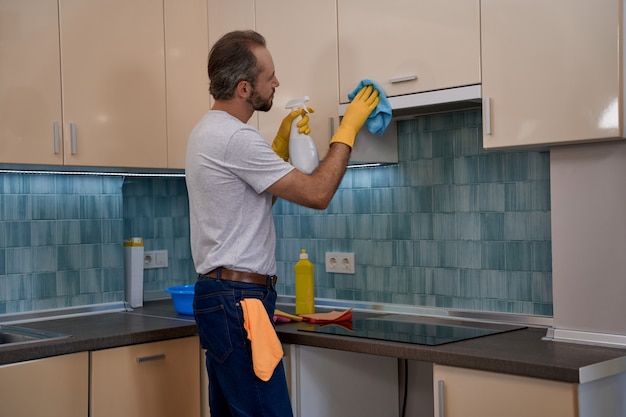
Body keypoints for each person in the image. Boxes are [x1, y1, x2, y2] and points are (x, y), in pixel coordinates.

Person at [185, 30, 379, 417]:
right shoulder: (236, 138)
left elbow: (247, 202)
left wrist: (277, 148)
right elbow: (317, 194)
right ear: (244, 88)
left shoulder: (207, 131)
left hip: (223, 299)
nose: (276, 82)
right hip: (239, 304)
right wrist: (347, 129)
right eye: (269, 76)